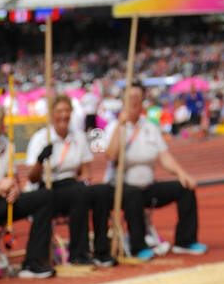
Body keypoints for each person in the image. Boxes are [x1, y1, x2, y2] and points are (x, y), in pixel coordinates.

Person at [96, 82, 207, 261]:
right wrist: (120, 126)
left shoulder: (150, 127)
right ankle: (138, 245)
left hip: (147, 186)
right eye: (130, 98)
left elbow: (164, 156)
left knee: (185, 189)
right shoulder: (112, 127)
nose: (134, 102)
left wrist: (182, 174)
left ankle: (185, 241)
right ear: (123, 101)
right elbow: (110, 155)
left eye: (137, 99)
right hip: (121, 189)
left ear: (142, 102)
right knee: (133, 195)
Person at [0, 106, 56, 284]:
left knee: (45, 197)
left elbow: (13, 180)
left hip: (2, 204)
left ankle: (33, 261)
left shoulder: (8, 146)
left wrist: (14, 189)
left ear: (0, 128)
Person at [24, 93, 96, 266]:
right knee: (74, 195)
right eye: (59, 111)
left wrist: (84, 184)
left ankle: (79, 252)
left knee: (83, 194)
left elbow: (86, 172)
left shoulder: (78, 137)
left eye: (66, 111)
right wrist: (41, 160)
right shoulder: (41, 138)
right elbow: (32, 178)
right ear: (51, 114)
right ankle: (38, 258)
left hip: (71, 186)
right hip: (47, 187)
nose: (63, 115)